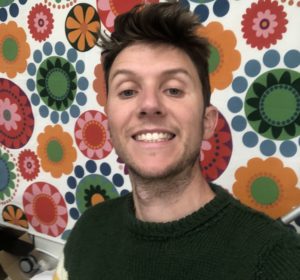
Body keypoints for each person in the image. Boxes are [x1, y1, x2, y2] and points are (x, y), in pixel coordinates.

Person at [54, 2, 300, 279]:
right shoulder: (89, 228)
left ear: (207, 123)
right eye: (127, 91)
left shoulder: (275, 258)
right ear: (110, 121)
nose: (149, 104)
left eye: (173, 89)